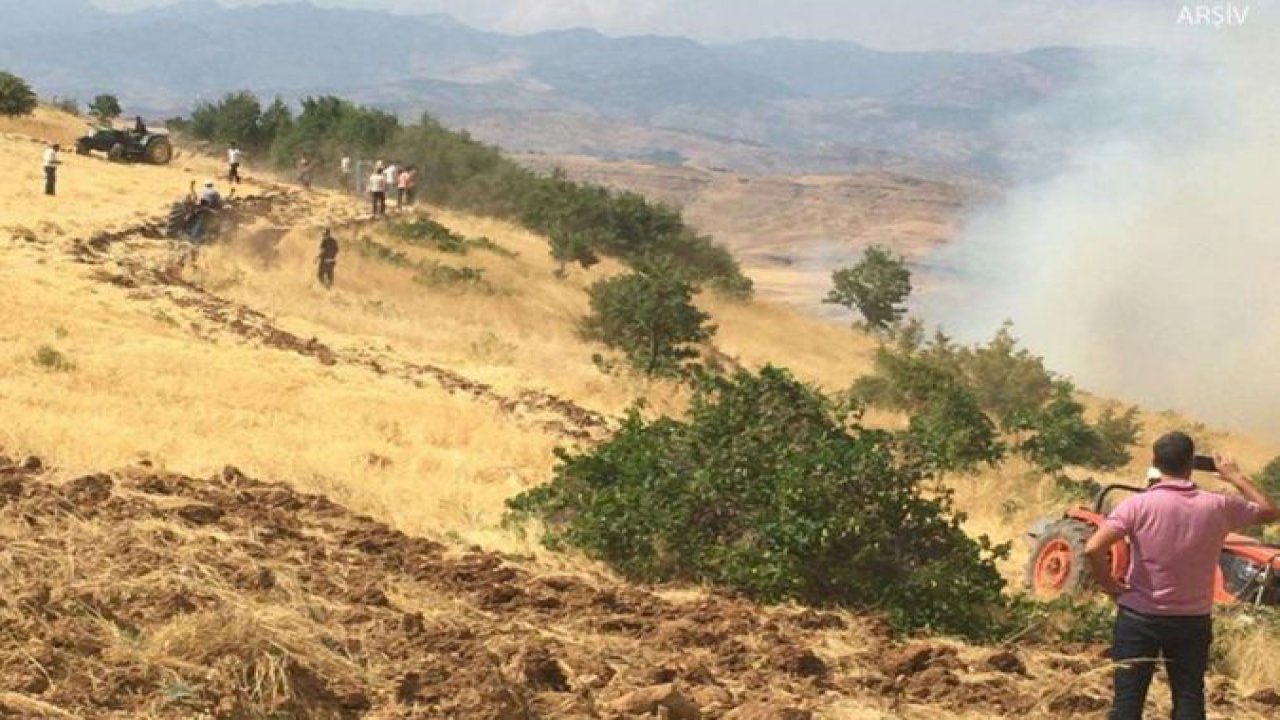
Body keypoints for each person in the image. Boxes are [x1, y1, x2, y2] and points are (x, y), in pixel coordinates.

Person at [1086, 431, 1280, 720]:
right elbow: (1270, 511)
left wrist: (1111, 587)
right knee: (1189, 698)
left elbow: (1092, 548)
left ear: (1155, 462)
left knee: (1127, 702)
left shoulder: (1137, 505)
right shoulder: (1218, 505)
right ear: (1191, 463)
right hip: (1192, 620)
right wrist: (1235, 476)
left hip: (1139, 618)